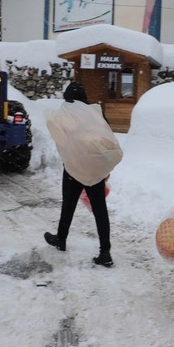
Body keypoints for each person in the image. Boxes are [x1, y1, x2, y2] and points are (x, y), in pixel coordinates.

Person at [44, 81, 114, 267]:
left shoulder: (66, 114)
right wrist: (104, 168)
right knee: (100, 210)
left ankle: (61, 239)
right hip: (94, 169)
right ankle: (105, 252)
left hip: (74, 168)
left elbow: (60, 137)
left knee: (68, 205)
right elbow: (107, 139)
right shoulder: (95, 113)